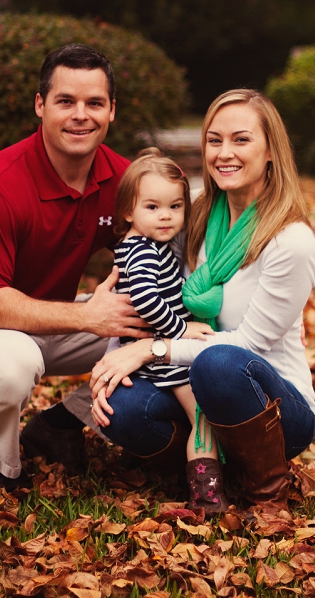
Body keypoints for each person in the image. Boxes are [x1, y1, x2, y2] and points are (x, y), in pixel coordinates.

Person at [85, 89, 315, 513]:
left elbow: (248, 347)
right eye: (214, 140)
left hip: (274, 406)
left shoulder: (291, 241)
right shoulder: (192, 216)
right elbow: (143, 291)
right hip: (193, 382)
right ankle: (206, 472)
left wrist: (152, 349)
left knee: (221, 363)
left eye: (241, 139)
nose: (224, 153)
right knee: (123, 407)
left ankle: (265, 492)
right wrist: (112, 361)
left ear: (271, 151)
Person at [0, 44, 150, 494]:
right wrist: (90, 316)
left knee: (164, 333)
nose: (80, 115)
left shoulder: (125, 181)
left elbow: (178, 247)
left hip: (58, 321)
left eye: (94, 103)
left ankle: (61, 423)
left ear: (112, 112)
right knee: (13, 362)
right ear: (40, 105)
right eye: (65, 101)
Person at [102, 147, 231, 515]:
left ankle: (147, 461)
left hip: (154, 352)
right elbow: (144, 297)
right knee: (202, 416)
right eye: (153, 207)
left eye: (175, 207)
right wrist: (180, 331)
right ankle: (207, 497)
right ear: (128, 211)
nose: (166, 216)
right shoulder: (143, 250)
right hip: (162, 357)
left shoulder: (147, 243)